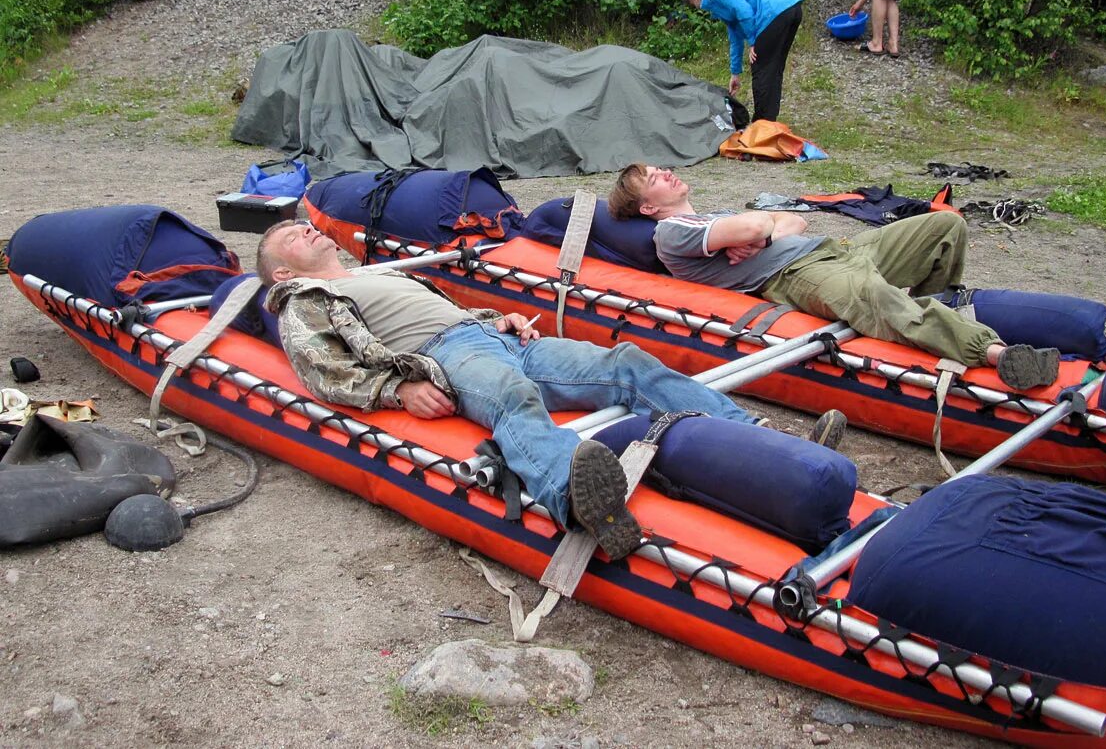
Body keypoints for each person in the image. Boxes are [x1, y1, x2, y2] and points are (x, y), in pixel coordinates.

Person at [258, 219, 791, 560]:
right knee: (513, 397)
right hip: (448, 355)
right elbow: (321, 369)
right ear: (282, 272)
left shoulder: (382, 274)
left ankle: (754, 436)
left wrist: (501, 316)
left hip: (495, 336)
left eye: (305, 224)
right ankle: (577, 502)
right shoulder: (306, 299)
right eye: (291, 236)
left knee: (624, 361)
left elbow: (454, 311)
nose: (306, 229)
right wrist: (397, 391)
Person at [608, 165, 1061, 391]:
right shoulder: (671, 233)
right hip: (797, 275)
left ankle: (932, 315)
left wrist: (762, 232)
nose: (665, 172)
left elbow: (792, 223)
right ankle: (996, 353)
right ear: (647, 207)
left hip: (837, 250)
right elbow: (756, 226)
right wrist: (759, 228)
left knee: (945, 225)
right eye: (653, 178)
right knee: (876, 297)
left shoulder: (710, 216)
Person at [683, 0, 803, 123]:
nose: (697, 7)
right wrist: (735, 74)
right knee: (773, 69)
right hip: (791, 9)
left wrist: (753, 42)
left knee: (761, 69)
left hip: (774, 13)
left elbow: (744, 10)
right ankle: (768, 122)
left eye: (693, 3)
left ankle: (761, 124)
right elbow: (735, 37)